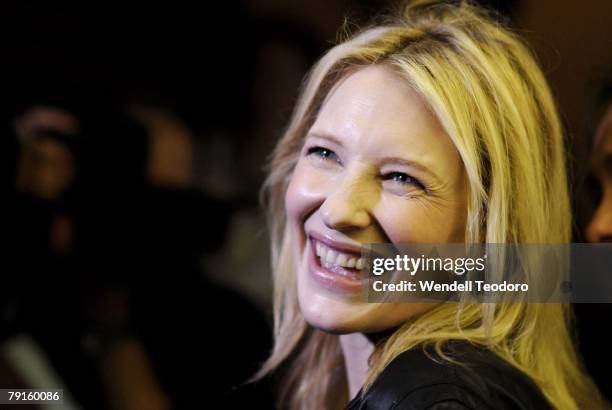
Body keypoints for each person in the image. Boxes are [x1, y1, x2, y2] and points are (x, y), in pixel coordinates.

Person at [255, 1, 605, 409]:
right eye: (325, 153)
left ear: (489, 228)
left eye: (402, 178)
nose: (337, 210)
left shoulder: (439, 398)